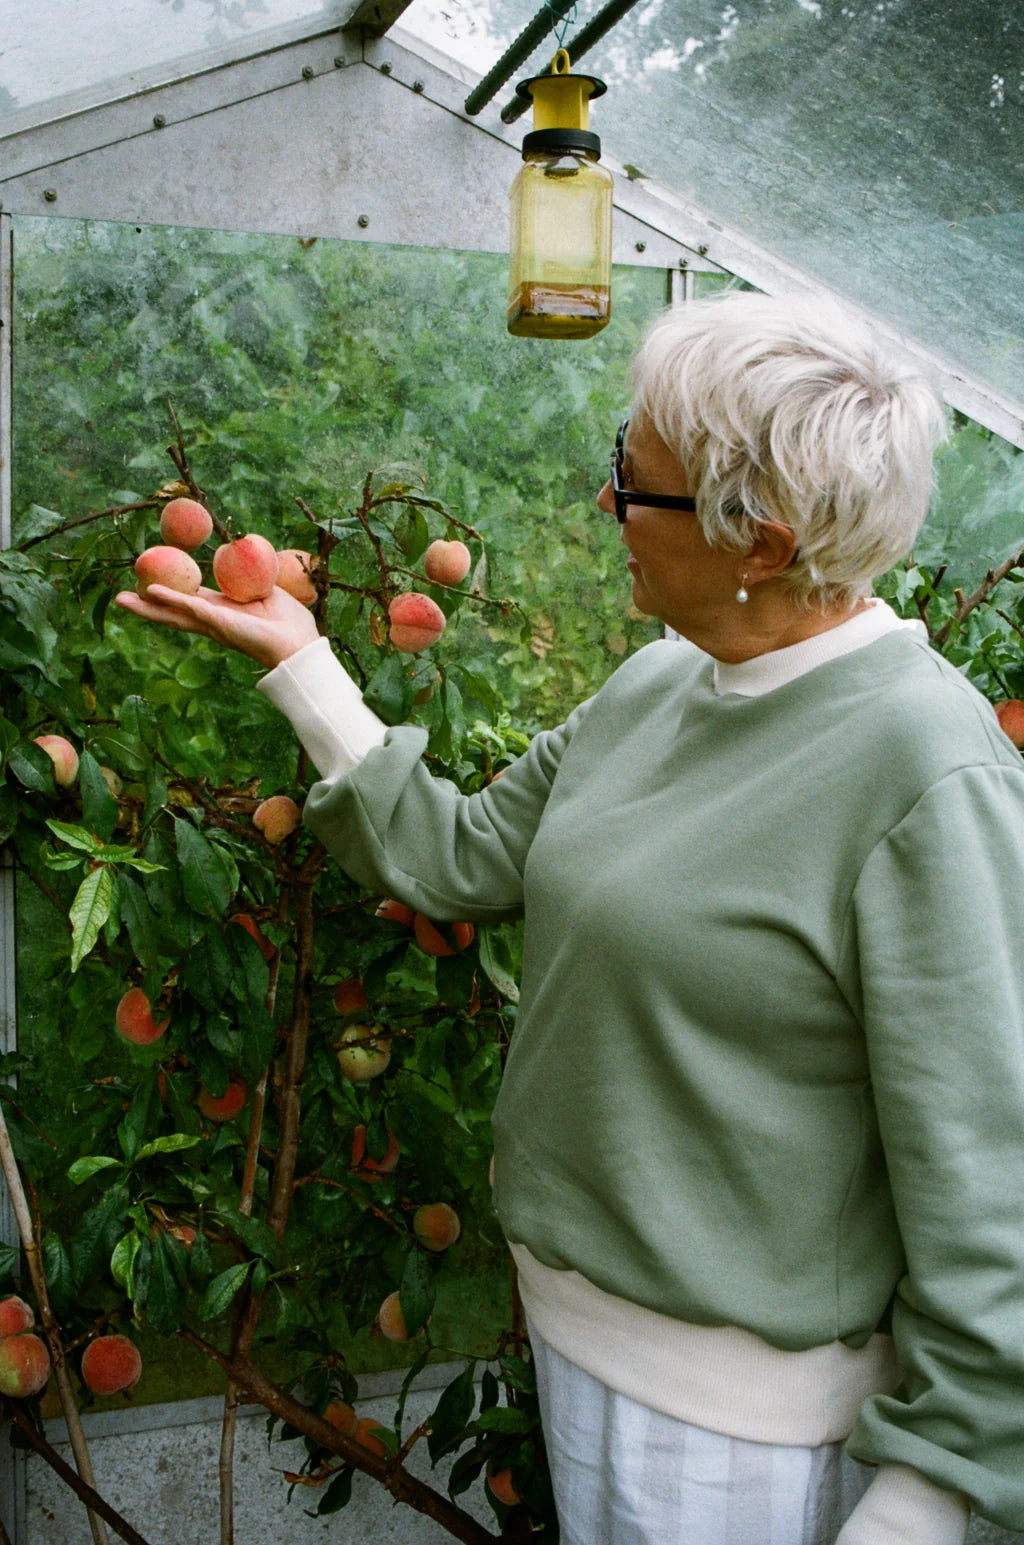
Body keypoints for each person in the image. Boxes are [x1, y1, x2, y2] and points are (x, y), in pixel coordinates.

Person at [115, 291, 1024, 1545]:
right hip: (579, 1337)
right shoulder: (666, 682)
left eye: (632, 483)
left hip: (734, 1433)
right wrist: (299, 660)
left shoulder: (925, 772)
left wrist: (928, 1496)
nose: (604, 501)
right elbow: (457, 857)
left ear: (758, 543)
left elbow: (989, 1175)